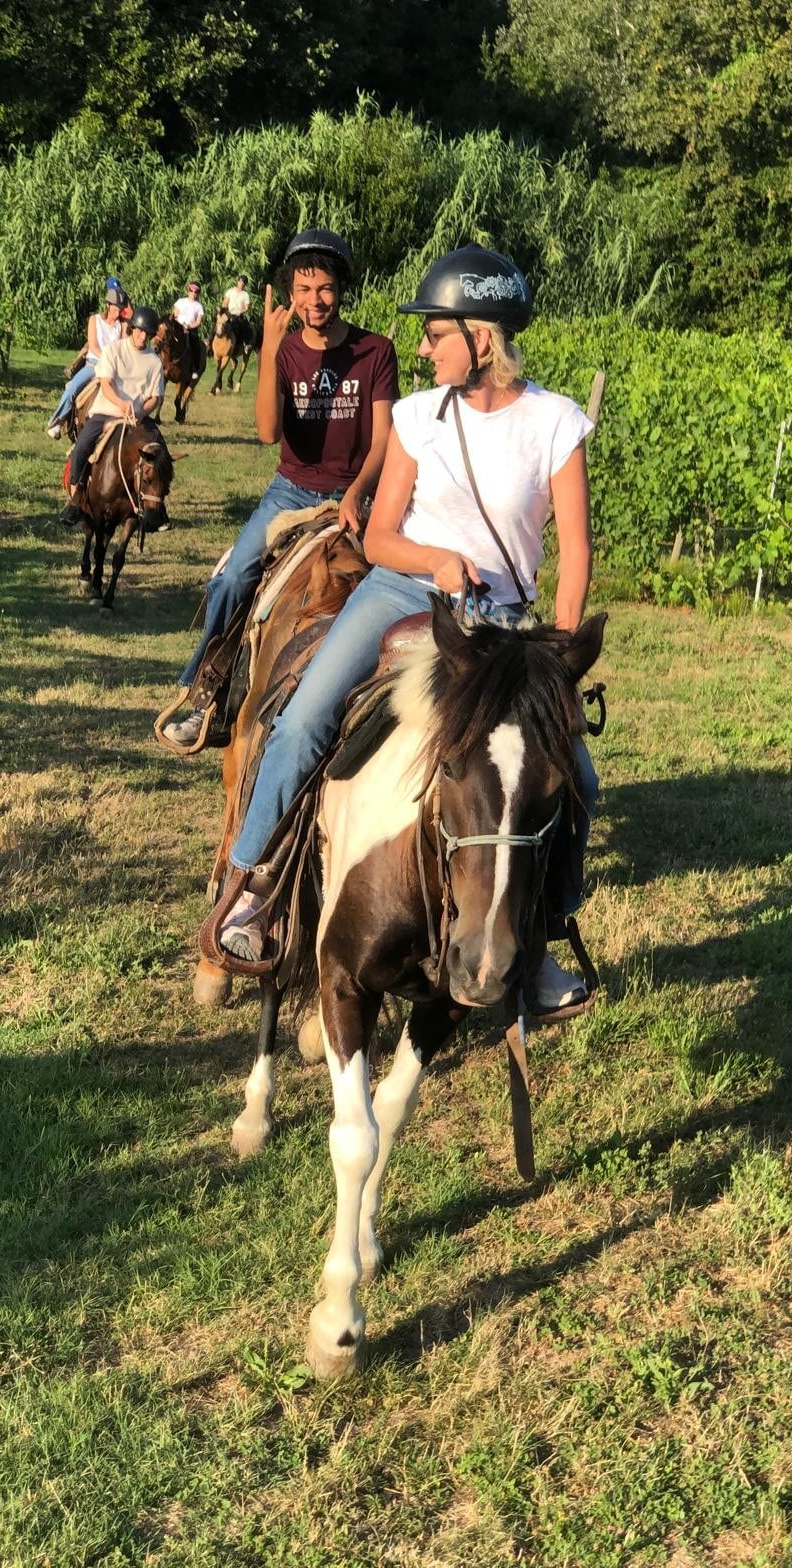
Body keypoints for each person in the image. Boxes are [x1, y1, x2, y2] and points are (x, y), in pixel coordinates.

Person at [215, 244, 597, 1011]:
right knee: (303, 719)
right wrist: (436, 560)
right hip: (399, 593)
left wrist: (557, 659)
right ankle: (251, 886)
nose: (422, 349)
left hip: (503, 622)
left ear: (480, 339)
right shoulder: (419, 417)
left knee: (575, 778)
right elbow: (382, 537)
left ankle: (542, 939)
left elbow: (576, 552)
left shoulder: (555, 423)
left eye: (434, 333)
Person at [161, 230, 399, 747]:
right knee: (232, 580)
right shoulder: (286, 352)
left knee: (402, 587)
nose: (315, 300)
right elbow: (268, 432)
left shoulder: (375, 351)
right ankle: (206, 694)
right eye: (304, 289)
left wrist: (358, 491)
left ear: (342, 289)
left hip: (359, 494)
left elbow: (384, 438)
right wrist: (270, 350)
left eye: (325, 288)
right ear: (291, 292)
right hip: (292, 492)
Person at [61, 306, 165, 523]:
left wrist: (141, 411)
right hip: (106, 411)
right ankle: (75, 499)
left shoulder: (154, 361)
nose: (142, 336)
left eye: (147, 333)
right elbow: (106, 384)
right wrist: (120, 404)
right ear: (132, 329)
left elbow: (155, 397)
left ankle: (158, 505)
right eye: (139, 331)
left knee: (161, 452)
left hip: (137, 417)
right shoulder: (113, 351)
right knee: (81, 447)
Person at [46, 284, 126, 438]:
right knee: (72, 389)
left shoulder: (121, 325)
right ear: (108, 305)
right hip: (94, 365)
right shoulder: (95, 320)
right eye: (115, 309)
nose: (117, 313)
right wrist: (107, 359)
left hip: (113, 369)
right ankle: (57, 422)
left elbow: (123, 347)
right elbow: (94, 346)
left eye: (120, 310)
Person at [172, 280, 206, 383]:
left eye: (196, 291)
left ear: (198, 293)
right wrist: (180, 325)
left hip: (190, 329)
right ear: (188, 290)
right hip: (178, 327)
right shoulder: (180, 301)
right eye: (191, 290)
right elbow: (175, 315)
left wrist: (189, 326)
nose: (193, 293)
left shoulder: (199, 306)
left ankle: (194, 368)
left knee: (195, 344)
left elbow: (198, 321)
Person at [212, 273, 254, 352]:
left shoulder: (245, 295)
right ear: (237, 282)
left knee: (246, 326)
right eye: (240, 282)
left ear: (245, 285)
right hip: (228, 313)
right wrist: (222, 311)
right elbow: (225, 302)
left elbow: (246, 308)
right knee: (218, 323)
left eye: (243, 283)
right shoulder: (230, 291)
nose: (241, 284)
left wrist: (241, 312)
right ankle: (209, 342)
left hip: (238, 315)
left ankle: (246, 344)